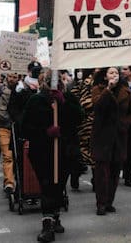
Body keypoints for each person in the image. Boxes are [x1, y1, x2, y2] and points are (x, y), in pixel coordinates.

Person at [21, 68, 80, 242]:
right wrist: (45, 132)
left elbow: (79, 118)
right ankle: (47, 225)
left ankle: (56, 215)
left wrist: (64, 103)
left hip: (65, 150)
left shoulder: (68, 98)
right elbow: (25, 128)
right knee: (46, 185)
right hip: (42, 152)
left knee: (59, 184)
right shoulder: (35, 101)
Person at [90, 67, 131, 215]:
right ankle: (101, 203)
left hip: (119, 136)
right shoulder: (98, 90)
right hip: (102, 135)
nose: (114, 75)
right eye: (111, 73)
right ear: (105, 77)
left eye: (116, 73)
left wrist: (126, 124)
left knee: (115, 171)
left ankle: (109, 201)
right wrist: (108, 90)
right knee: (102, 171)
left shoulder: (126, 91)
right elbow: (97, 106)